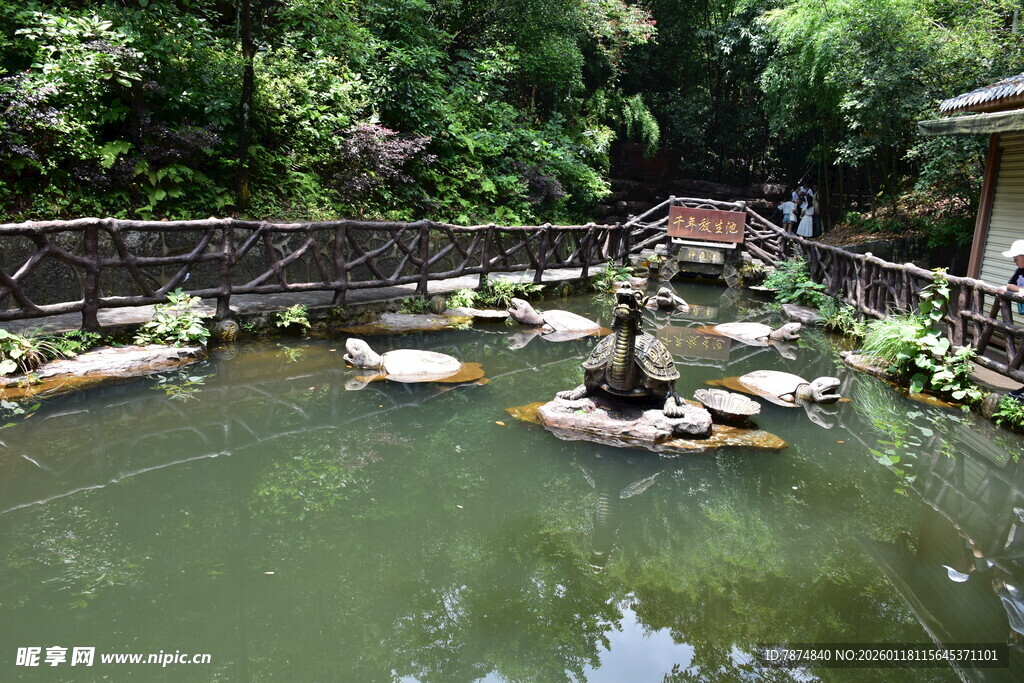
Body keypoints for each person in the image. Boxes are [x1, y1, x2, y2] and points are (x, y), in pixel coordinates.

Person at [999, 239, 1024, 401]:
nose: (1014, 260)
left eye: (1015, 257)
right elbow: (1009, 285)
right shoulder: (1020, 270)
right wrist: (1021, 289)